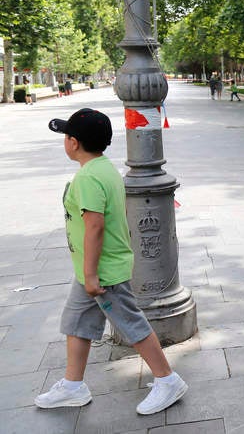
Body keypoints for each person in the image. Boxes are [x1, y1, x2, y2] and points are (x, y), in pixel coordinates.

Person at [37, 108, 188, 415]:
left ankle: (167, 380)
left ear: (74, 143)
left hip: (102, 272)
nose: (64, 141)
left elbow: (95, 227)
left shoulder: (89, 178)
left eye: (66, 136)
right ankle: (73, 385)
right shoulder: (104, 168)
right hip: (92, 270)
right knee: (76, 323)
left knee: (132, 325)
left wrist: (91, 275)